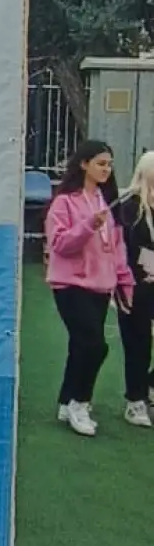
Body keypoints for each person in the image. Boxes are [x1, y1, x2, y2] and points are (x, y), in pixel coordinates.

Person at [46, 140, 134, 436]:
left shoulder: (107, 201)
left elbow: (117, 248)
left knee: (80, 345)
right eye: (100, 163)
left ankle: (65, 400)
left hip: (101, 286)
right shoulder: (64, 202)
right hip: (70, 284)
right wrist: (88, 226)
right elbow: (60, 244)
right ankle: (80, 402)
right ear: (84, 164)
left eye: (109, 164)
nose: (106, 169)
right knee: (94, 345)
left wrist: (124, 281)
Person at [116, 151, 154, 425]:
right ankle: (135, 400)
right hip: (135, 284)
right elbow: (122, 249)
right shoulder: (130, 206)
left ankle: (149, 384)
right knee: (138, 343)